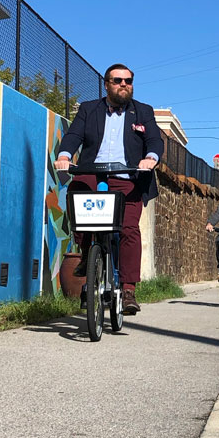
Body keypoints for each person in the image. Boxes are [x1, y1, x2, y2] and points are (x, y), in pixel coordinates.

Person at [55, 64, 164, 315]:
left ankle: (128, 290)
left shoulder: (143, 112)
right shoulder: (88, 109)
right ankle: (86, 255)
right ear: (106, 84)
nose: (123, 84)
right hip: (91, 173)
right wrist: (64, 154)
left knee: (128, 230)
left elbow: (155, 140)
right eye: (117, 80)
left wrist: (150, 158)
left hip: (127, 177)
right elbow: (73, 136)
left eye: (128, 80)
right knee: (78, 202)